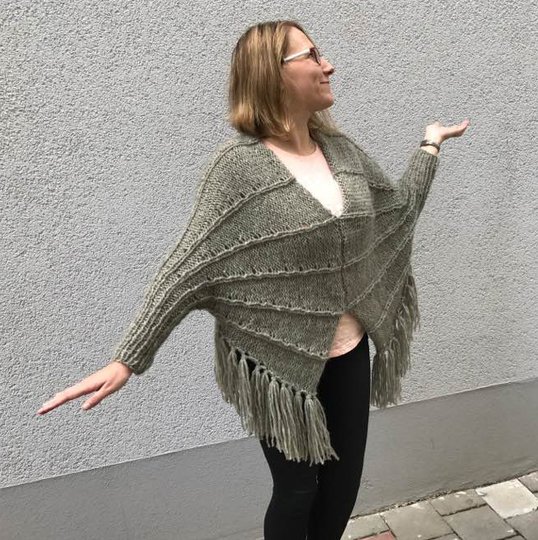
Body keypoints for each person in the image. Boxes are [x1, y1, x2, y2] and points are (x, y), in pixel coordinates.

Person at [37, 19, 469, 540]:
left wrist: (429, 147)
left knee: (342, 485)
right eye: (312, 55)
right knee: (297, 490)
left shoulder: (343, 151)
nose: (328, 65)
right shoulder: (238, 169)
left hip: (349, 351)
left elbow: (394, 213)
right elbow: (189, 266)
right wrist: (128, 358)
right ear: (272, 73)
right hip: (275, 364)